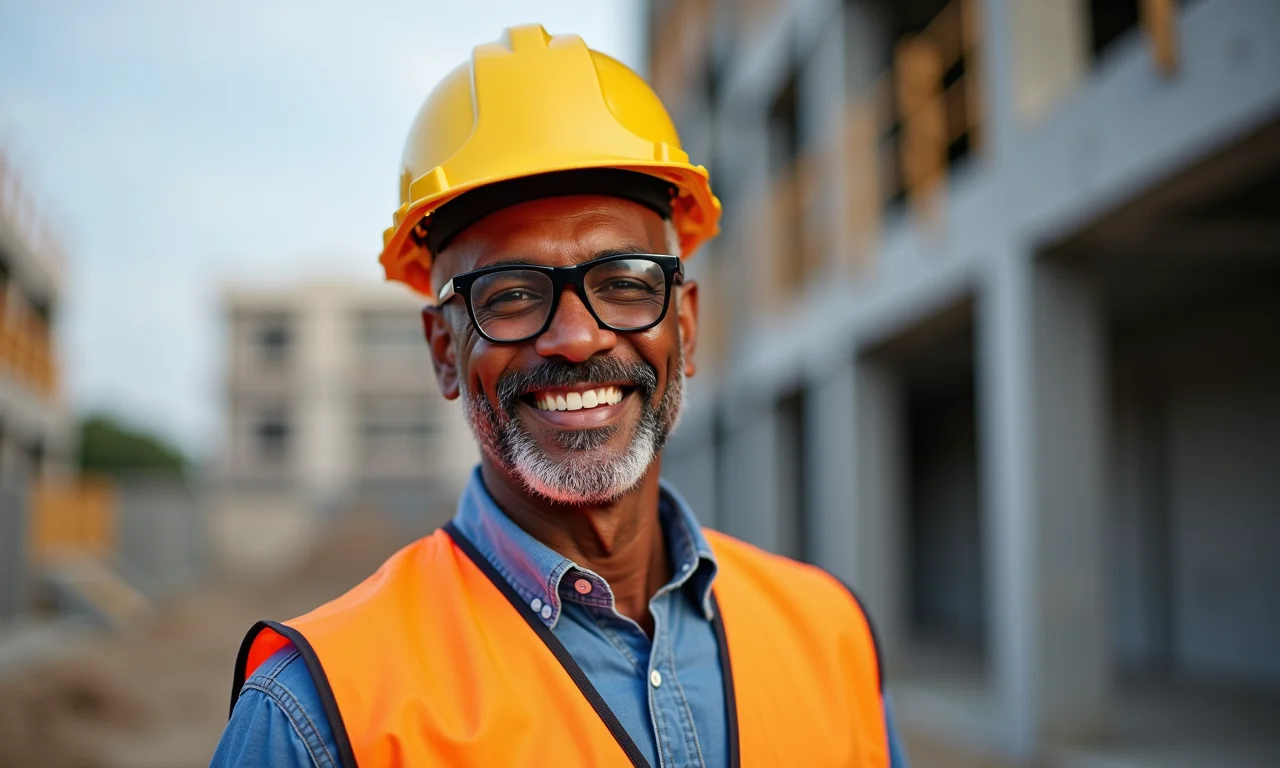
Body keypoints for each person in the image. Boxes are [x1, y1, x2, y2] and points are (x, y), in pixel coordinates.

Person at [213, 24, 909, 767]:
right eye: (511, 294)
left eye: (624, 283)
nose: (577, 339)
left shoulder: (831, 638)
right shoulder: (320, 715)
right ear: (445, 351)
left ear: (687, 326)